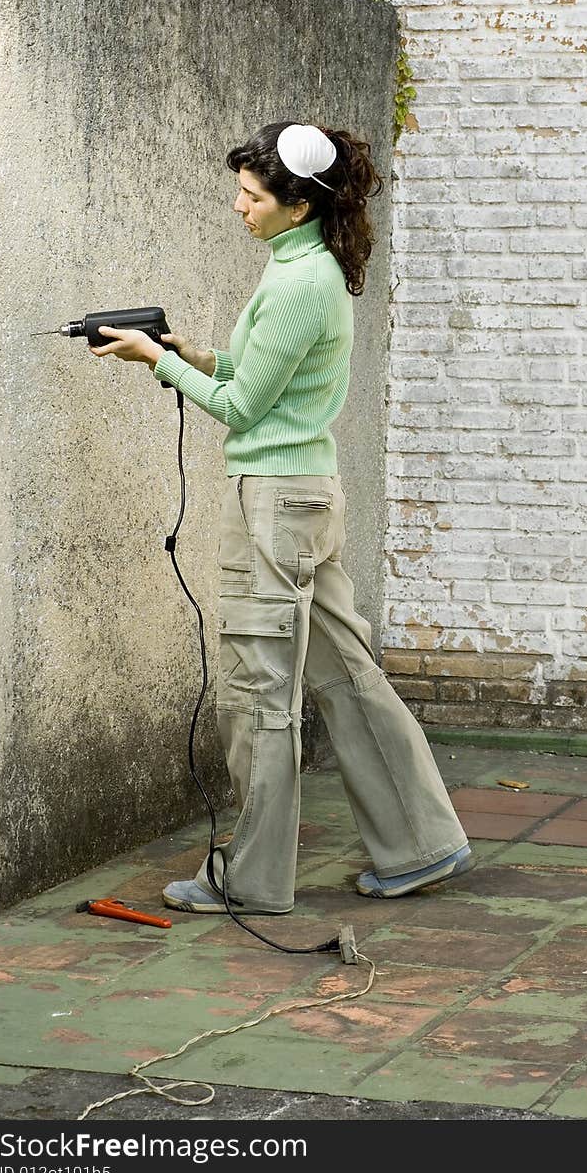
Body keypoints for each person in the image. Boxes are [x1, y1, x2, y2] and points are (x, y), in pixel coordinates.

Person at [89, 121, 472, 915]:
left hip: (276, 504)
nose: (239, 206)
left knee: (257, 690)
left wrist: (153, 362)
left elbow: (243, 407)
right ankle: (424, 843)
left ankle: (256, 880)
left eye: (253, 195)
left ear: (298, 205)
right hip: (304, 497)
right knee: (345, 672)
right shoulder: (302, 265)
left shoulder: (300, 284)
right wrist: (186, 350)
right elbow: (257, 376)